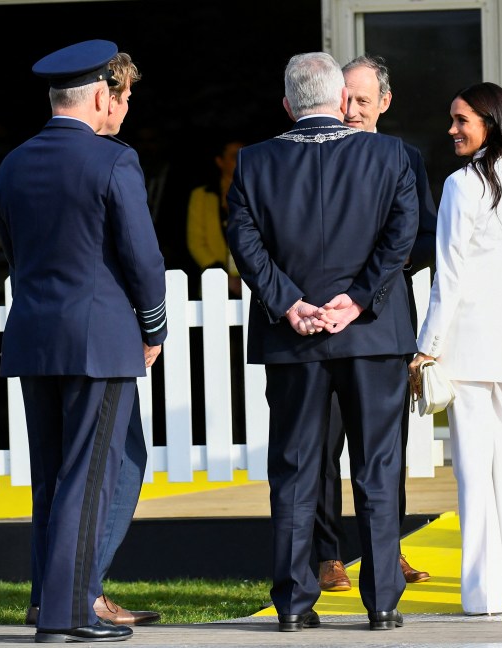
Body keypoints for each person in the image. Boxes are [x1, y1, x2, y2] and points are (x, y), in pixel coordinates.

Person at [225, 51, 418, 632]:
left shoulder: (254, 162)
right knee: (377, 467)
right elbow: (401, 234)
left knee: (293, 468)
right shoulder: (390, 154)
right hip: (372, 335)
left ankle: (292, 603)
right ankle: (382, 601)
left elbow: (244, 240)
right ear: (340, 102)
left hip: (294, 339)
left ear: (287, 105)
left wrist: (289, 302)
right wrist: (358, 298)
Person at [0, 39, 167, 642]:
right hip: (100, 340)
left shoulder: (13, 163)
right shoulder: (113, 161)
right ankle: (71, 611)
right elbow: (143, 259)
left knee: (52, 477)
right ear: (99, 95)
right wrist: (154, 327)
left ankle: (49, 602)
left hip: (36, 336)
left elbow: (13, 252)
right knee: (92, 476)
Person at [408, 82, 502, 615]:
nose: (452, 129)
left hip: (468, 344)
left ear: (489, 123)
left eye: (461, 120)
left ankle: (483, 595)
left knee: (475, 475)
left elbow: (449, 273)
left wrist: (428, 346)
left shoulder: (461, 185)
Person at [313, 54, 435, 594]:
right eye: (346, 98)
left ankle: (387, 550)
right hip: (321, 323)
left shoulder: (404, 157)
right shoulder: (311, 153)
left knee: (385, 447)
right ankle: (326, 556)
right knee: (321, 445)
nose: (353, 108)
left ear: (385, 103)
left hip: (383, 319)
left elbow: (427, 235)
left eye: (364, 99)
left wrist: (383, 268)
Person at [186, 135, 246, 299]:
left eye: (244, 154)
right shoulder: (202, 196)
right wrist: (223, 276)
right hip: (214, 279)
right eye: (235, 156)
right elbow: (196, 242)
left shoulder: (258, 193)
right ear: (220, 162)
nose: (241, 160)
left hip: (252, 281)